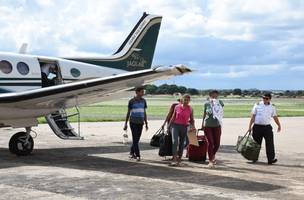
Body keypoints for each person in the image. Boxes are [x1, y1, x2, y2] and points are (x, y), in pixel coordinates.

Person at [248, 93, 281, 165]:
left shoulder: (272, 106)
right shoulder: (257, 105)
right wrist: (249, 127)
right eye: (263, 98)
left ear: (269, 99)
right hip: (257, 127)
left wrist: (279, 125)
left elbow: (275, 117)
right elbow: (253, 116)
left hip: (267, 127)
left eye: (266, 98)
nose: (264, 99)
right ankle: (254, 158)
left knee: (270, 144)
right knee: (256, 144)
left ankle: (270, 159)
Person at [168, 94, 195, 166]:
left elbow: (192, 120)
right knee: (175, 141)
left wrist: (193, 127)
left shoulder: (190, 109)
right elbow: (173, 117)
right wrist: (169, 126)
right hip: (175, 126)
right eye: (185, 99)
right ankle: (174, 158)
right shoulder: (177, 107)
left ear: (189, 101)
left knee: (182, 143)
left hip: (184, 126)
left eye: (188, 100)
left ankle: (179, 158)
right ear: (182, 100)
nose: (186, 101)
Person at [123, 86, 148, 161]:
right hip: (133, 122)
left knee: (136, 139)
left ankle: (131, 153)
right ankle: (138, 155)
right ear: (137, 92)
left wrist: (146, 123)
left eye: (143, 92)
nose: (143, 93)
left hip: (140, 122)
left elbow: (144, 112)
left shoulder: (144, 101)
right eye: (142, 92)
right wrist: (125, 123)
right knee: (135, 138)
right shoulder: (131, 101)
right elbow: (128, 112)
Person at [201, 90, 224, 168]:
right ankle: (210, 160)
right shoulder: (206, 104)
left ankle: (212, 155)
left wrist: (215, 103)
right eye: (212, 95)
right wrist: (202, 124)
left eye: (216, 95)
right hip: (208, 125)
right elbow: (204, 114)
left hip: (217, 125)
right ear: (210, 95)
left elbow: (221, 112)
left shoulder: (220, 102)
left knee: (217, 144)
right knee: (210, 142)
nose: (214, 96)